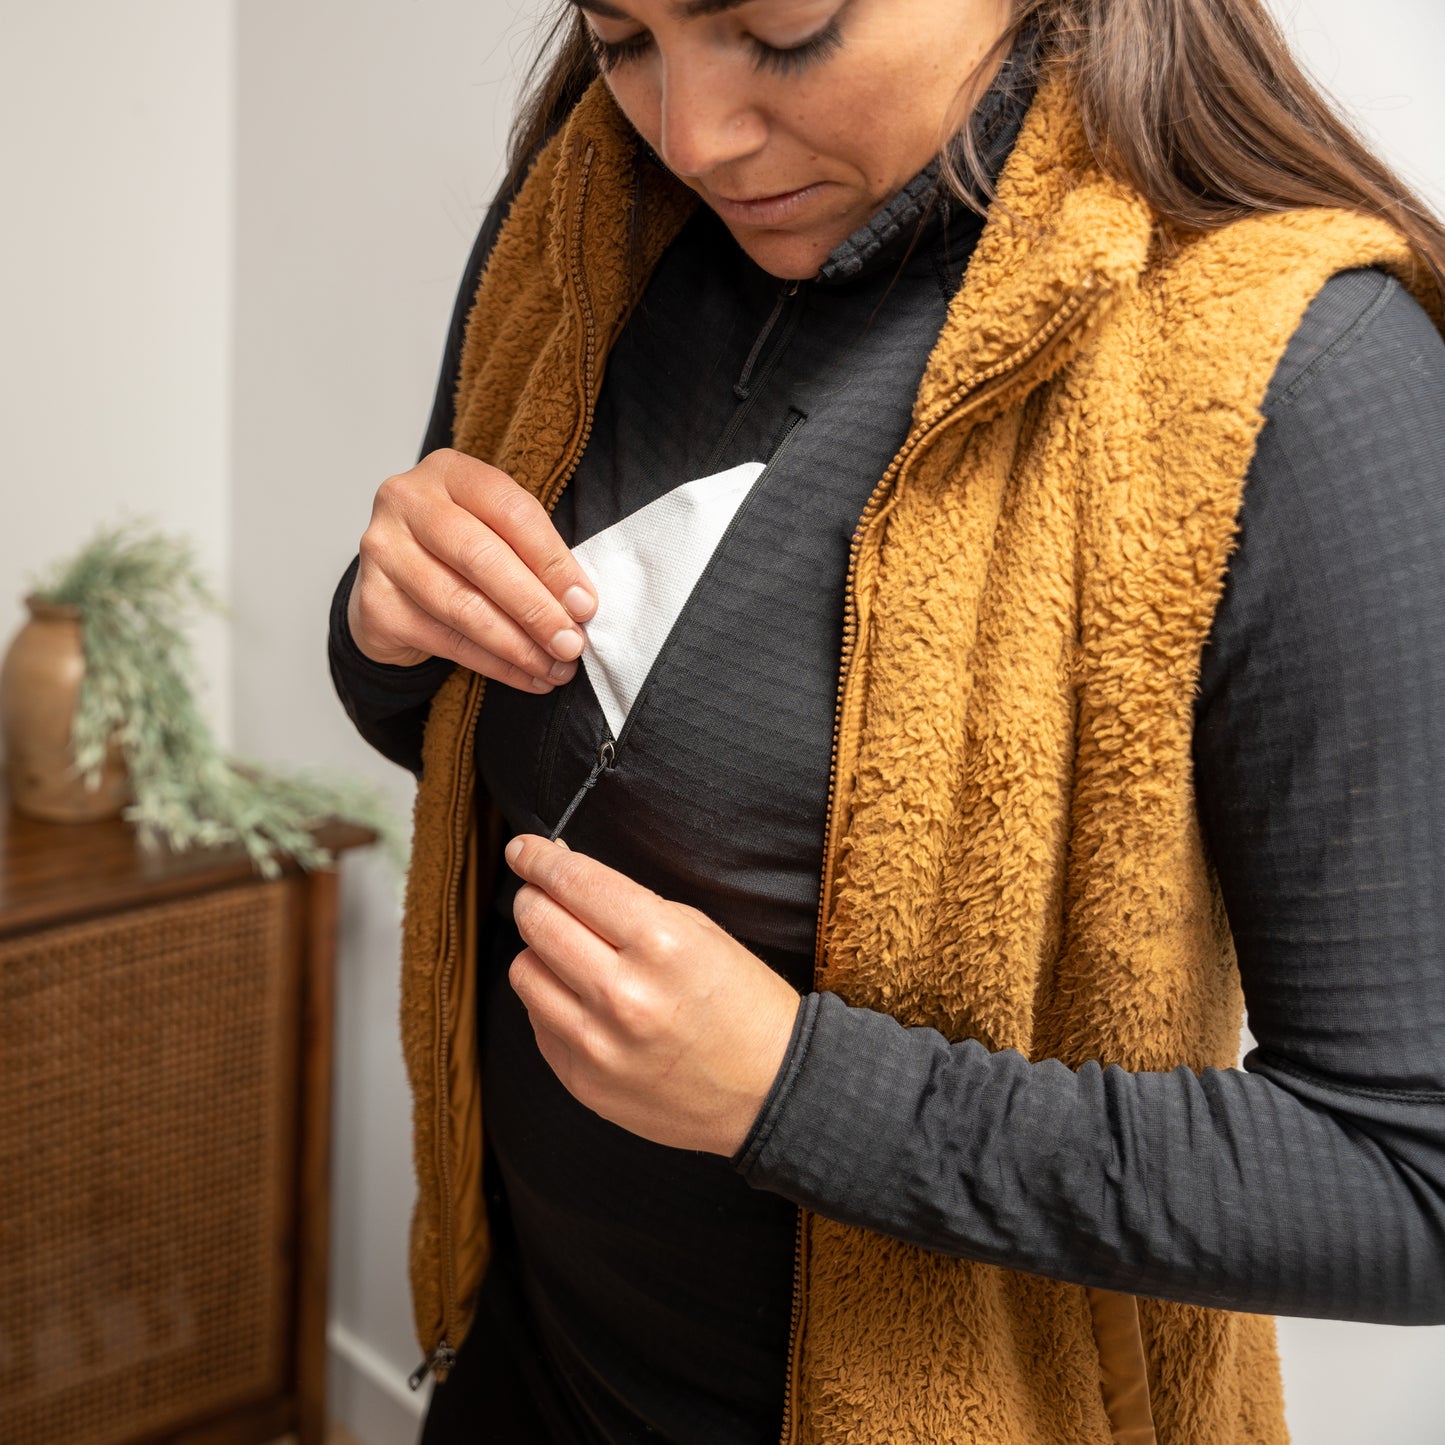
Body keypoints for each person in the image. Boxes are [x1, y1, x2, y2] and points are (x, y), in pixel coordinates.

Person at [327, 0, 1445, 1439]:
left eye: (784, 34)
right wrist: (384, 618)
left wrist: (798, 1091)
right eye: (620, 37)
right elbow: (456, 737)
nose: (692, 132)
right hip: (518, 1369)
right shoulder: (579, 216)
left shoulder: (1309, 376)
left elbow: (1410, 1183)